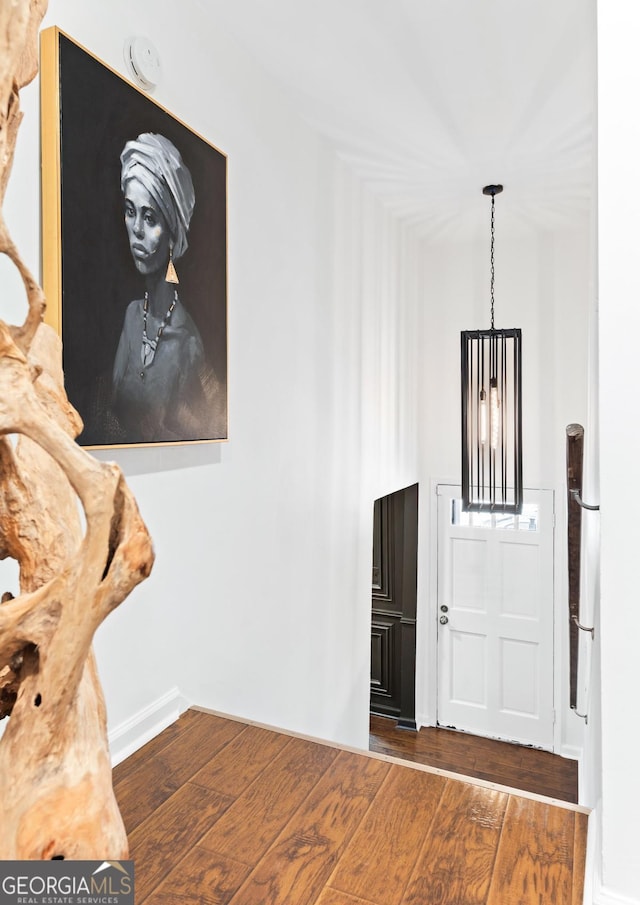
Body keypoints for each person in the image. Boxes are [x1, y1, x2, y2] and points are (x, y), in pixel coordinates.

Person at [112, 132, 222, 443]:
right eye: (131, 211)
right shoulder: (132, 316)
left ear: (173, 235)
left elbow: (209, 426)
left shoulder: (188, 343)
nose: (136, 231)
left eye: (149, 217)